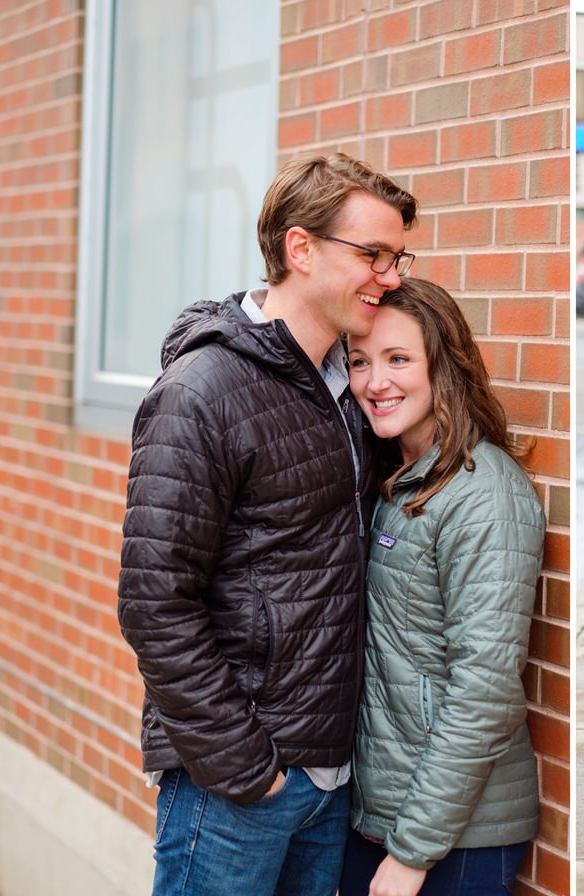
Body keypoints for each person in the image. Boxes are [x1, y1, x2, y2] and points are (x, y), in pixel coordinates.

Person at [117, 153, 418, 896]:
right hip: (238, 785)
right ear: (300, 248)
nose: (391, 274)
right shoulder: (201, 392)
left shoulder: (349, 389)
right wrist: (249, 768)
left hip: (325, 778)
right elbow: (155, 604)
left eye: (398, 256)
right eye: (372, 255)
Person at [337, 279, 545, 896]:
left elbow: (483, 689)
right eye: (359, 361)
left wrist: (413, 853)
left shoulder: (483, 494)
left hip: (452, 838)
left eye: (398, 359)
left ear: (443, 367)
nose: (377, 382)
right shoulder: (396, 477)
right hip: (385, 815)